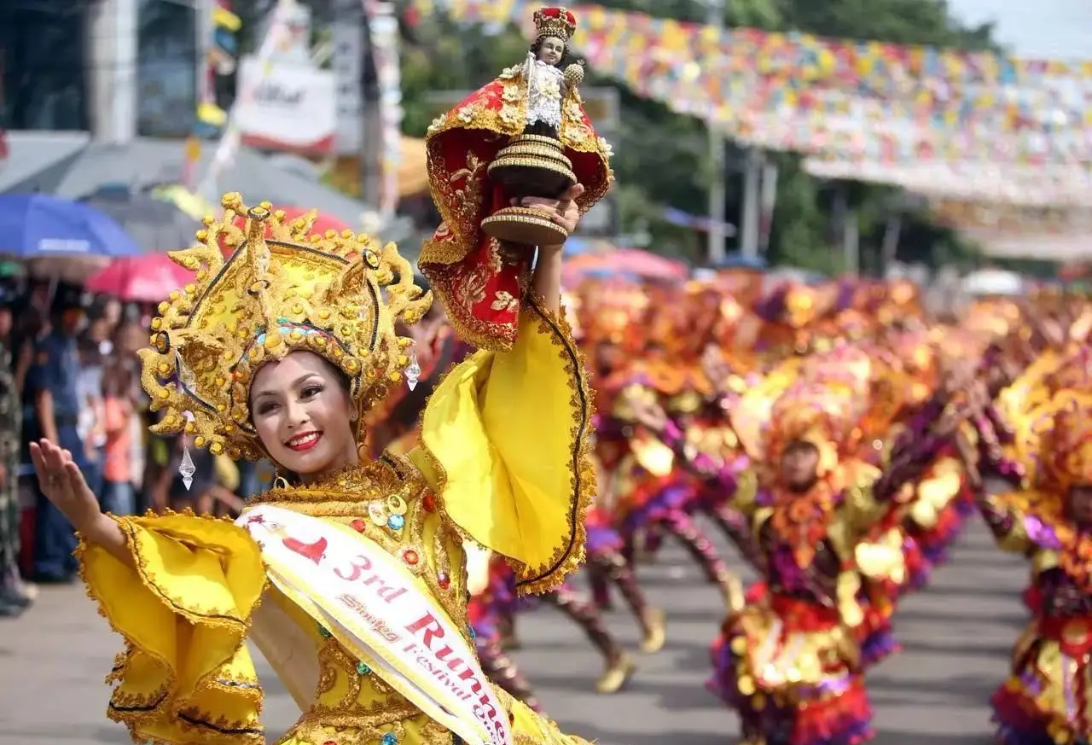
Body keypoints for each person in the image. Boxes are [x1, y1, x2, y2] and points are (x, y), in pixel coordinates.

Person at [30, 191, 598, 745]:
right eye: (269, 407)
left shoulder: (422, 483)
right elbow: (178, 568)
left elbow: (522, 378)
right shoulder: (266, 534)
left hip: (472, 724)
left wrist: (547, 252)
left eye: (309, 392)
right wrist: (90, 519)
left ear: (350, 400)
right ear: (254, 430)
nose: (294, 418)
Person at [419, 6, 611, 349]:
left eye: (557, 49)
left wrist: (551, 248)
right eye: (548, 47)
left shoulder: (555, 78)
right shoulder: (528, 72)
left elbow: (538, 350)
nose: (552, 53)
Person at [25, 282, 85, 584]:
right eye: (70, 312)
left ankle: (64, 556)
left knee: (72, 494)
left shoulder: (70, 344)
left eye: (78, 312)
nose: (75, 319)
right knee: (55, 495)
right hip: (58, 427)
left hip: (73, 425)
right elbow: (43, 396)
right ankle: (48, 562)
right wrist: (51, 441)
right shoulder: (48, 346)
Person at [0, 284, 31, 616]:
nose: (6, 319)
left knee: (7, 521)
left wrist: (21, 367)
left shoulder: (6, 351)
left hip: (8, 452)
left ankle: (6, 583)